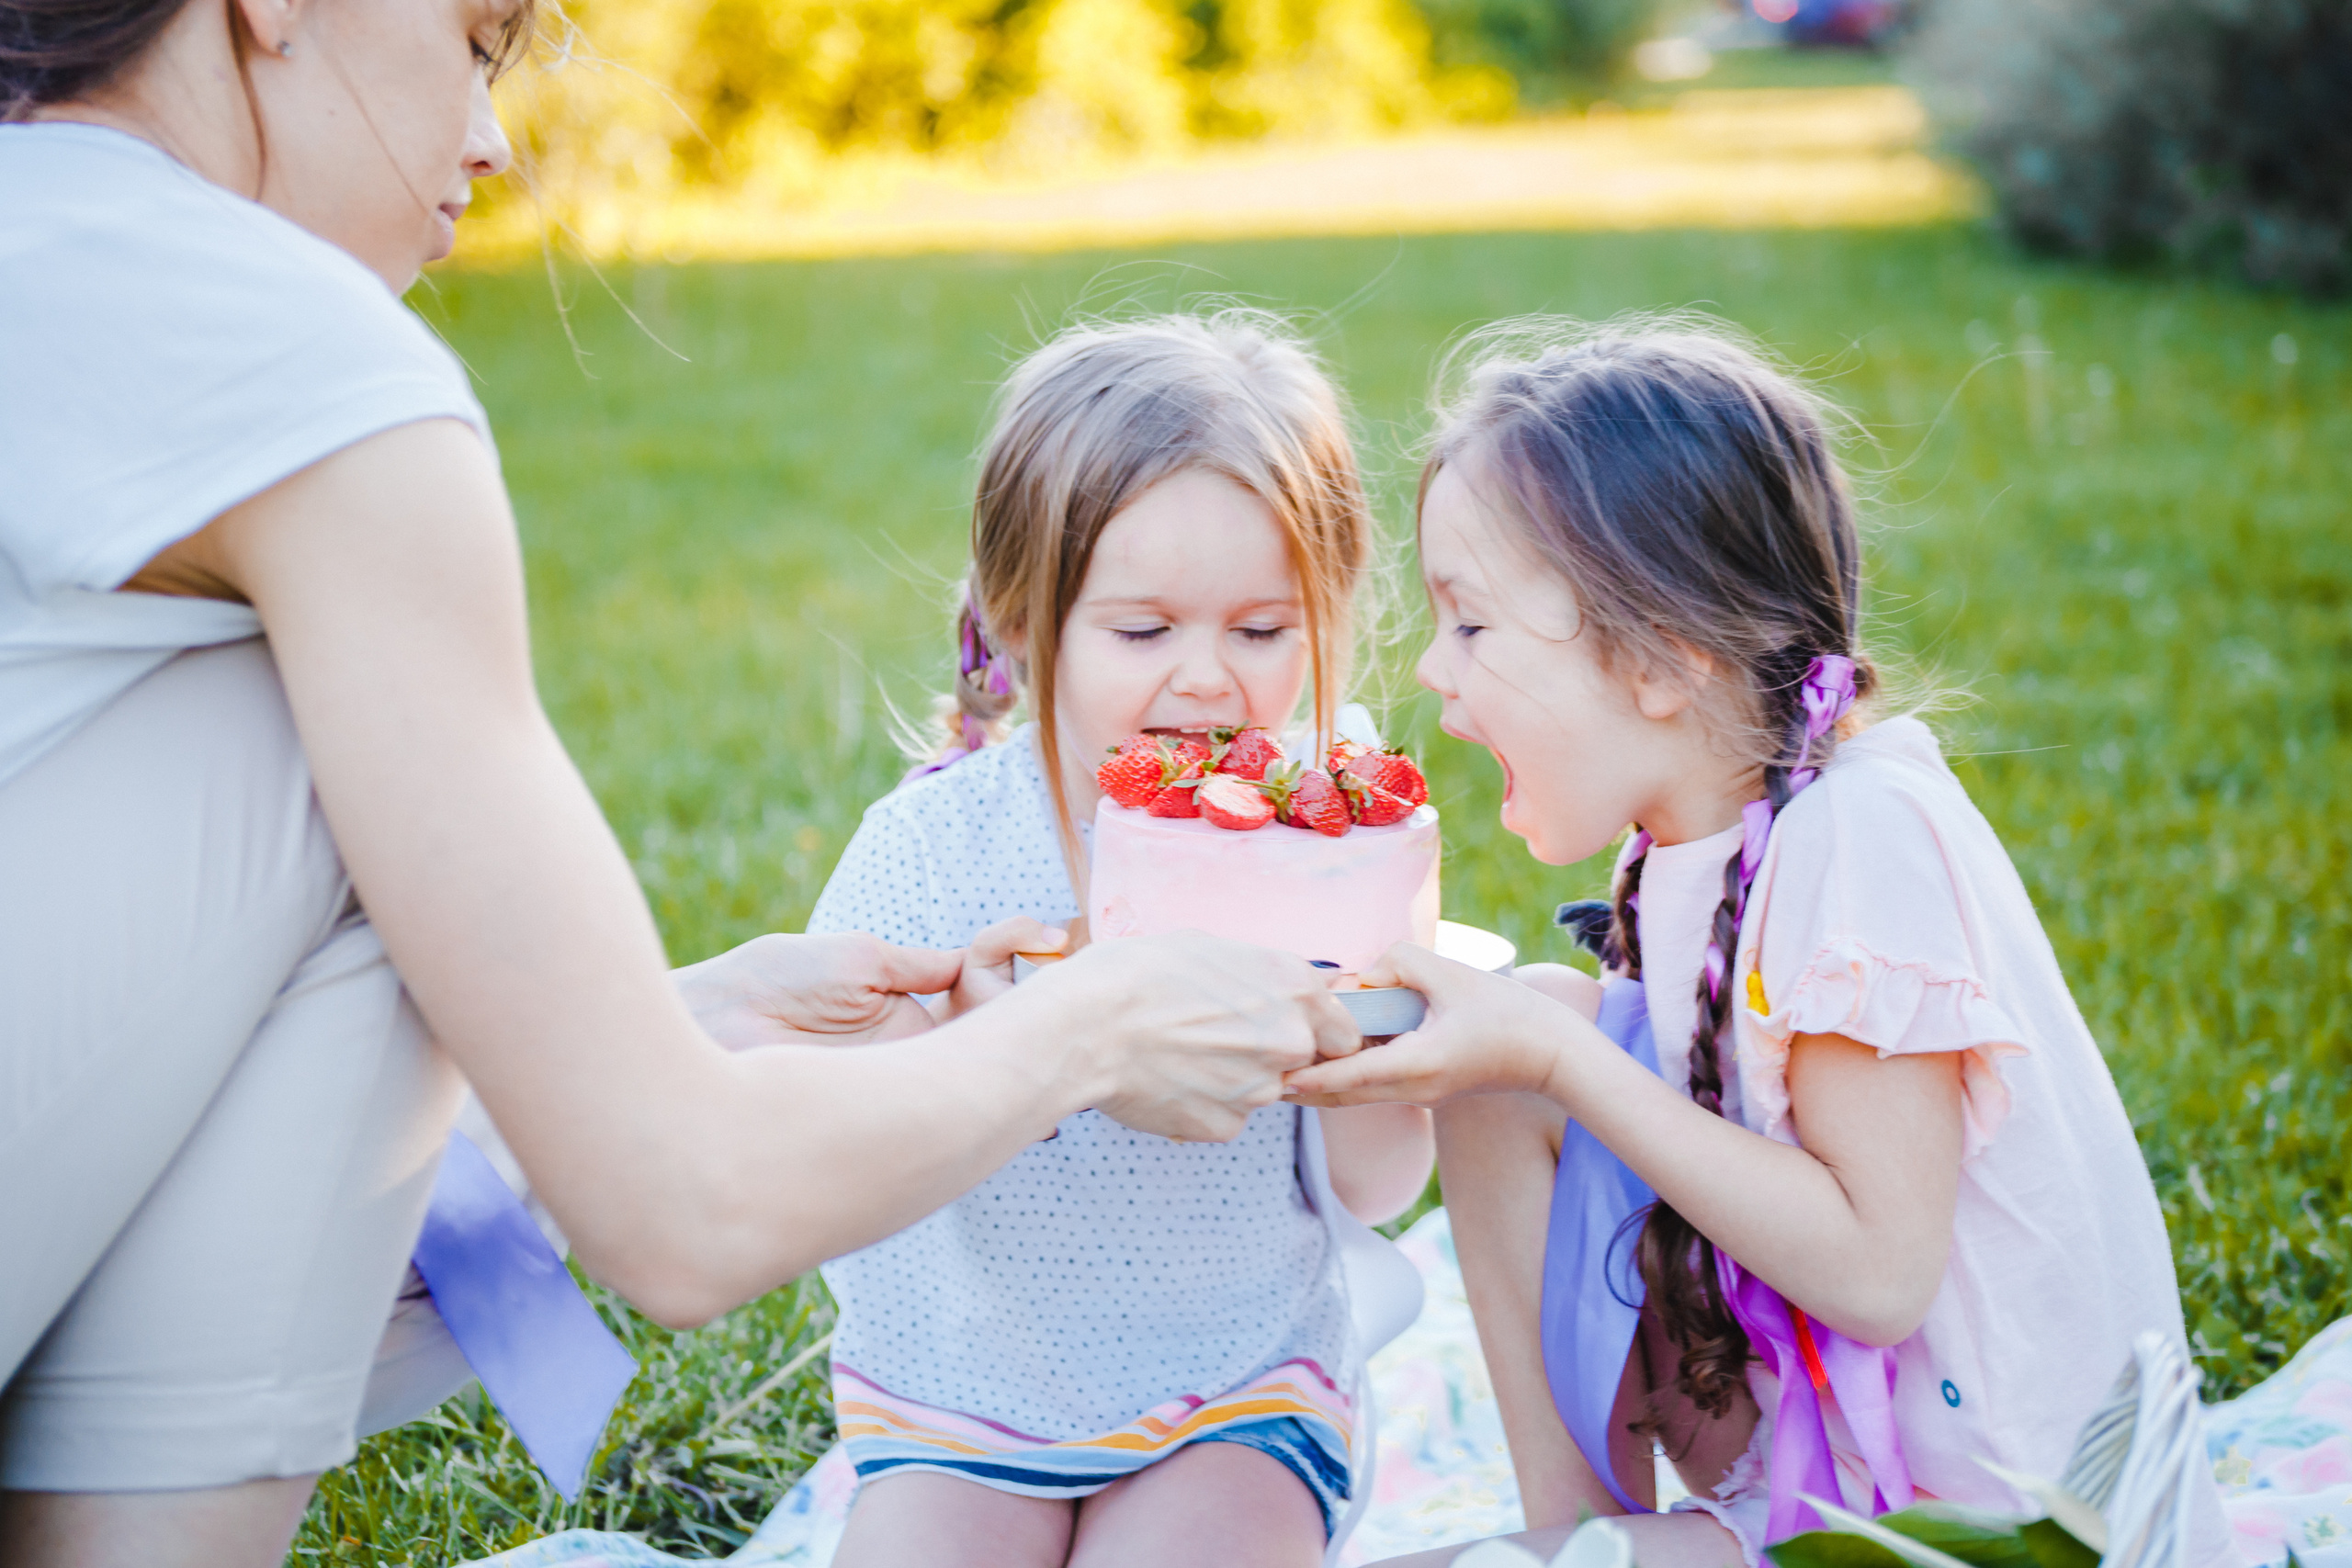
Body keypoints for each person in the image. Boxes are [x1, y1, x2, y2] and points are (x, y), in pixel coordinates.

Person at [0, 6, 1356, 1563]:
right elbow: (683, 1213)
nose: (490, 136)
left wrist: (681, 1025)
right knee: (352, 761)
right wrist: (1096, 1019)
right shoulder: (285, 351)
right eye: (475, 38)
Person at [1282, 319, 2234, 1568]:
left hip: (1994, 1529)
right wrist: (1515, 1045)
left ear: (1663, 665)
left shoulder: (1861, 835)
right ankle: (1569, 1533)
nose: (1432, 670)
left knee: (1543, 1042)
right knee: (1514, 1040)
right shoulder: (1698, 837)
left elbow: (1880, 1272)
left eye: (1471, 626)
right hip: (1819, 1466)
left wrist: (1566, 1063)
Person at [805, 315, 1436, 1568]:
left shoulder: (1336, 833)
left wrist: (1359, 1037)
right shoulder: (939, 849)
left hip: (1235, 1395)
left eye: (1263, 632)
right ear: (1023, 624)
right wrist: (981, 1055)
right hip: (956, 1401)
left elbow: (1380, 1186)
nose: (1208, 682)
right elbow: (826, 1157)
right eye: (1143, 633)